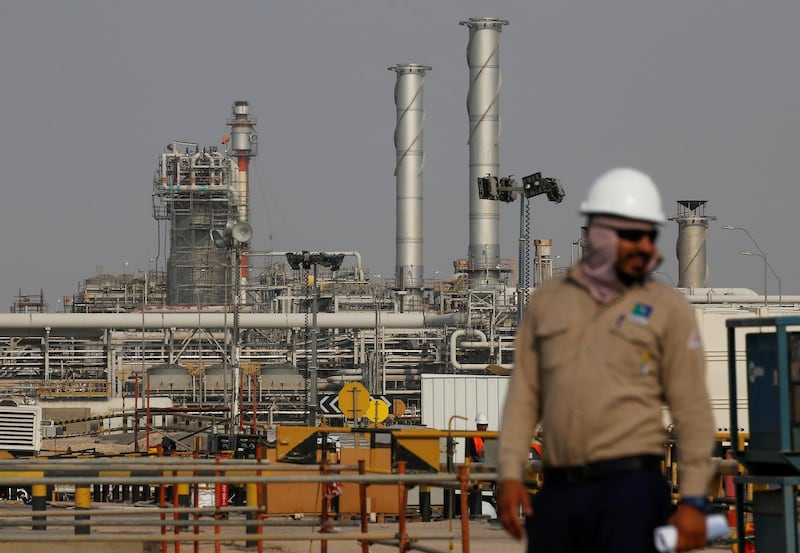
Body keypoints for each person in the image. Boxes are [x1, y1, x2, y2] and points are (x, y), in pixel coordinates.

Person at [497, 168, 715, 553]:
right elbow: (524, 397)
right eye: (632, 235)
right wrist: (509, 473)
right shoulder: (549, 303)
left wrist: (695, 499)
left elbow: (692, 410)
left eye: (648, 235)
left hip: (631, 492)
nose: (644, 246)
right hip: (560, 490)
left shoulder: (667, 310)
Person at [465, 413, 489, 517]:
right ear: (477, 426)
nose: (482, 428)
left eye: (484, 425)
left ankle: (476, 513)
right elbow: (472, 454)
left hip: (484, 467)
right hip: (474, 467)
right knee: (475, 490)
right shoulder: (472, 437)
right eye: (481, 425)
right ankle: (474, 514)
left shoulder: (489, 437)